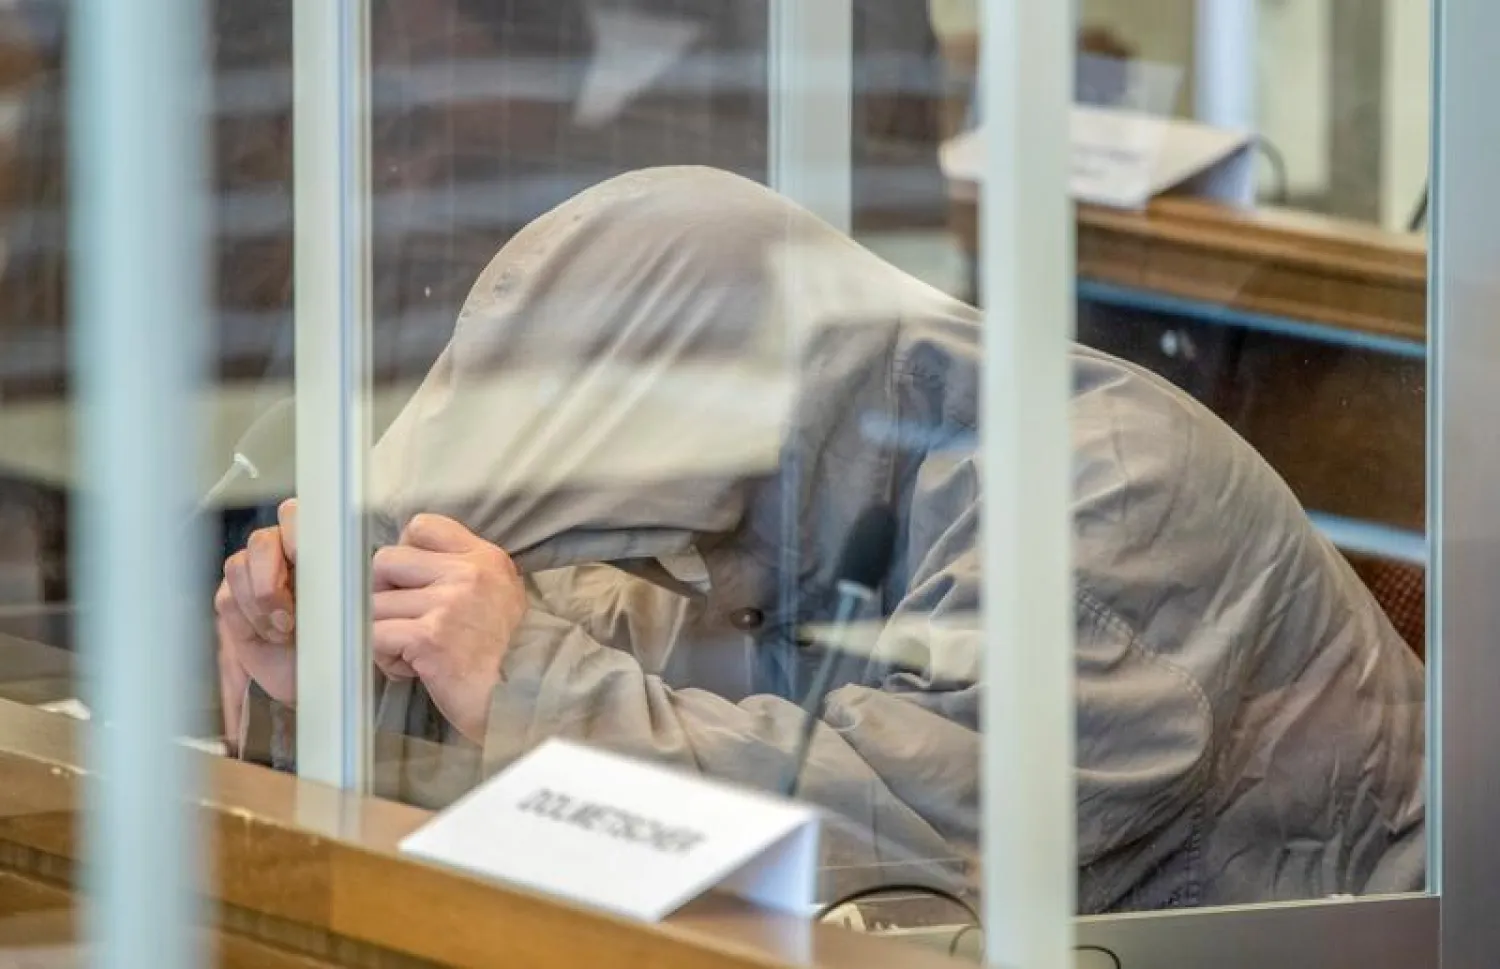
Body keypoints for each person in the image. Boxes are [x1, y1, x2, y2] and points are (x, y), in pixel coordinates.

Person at [216, 166, 1424, 913]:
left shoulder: (1107, 494)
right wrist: (347, 664)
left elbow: (902, 841)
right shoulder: (790, 494)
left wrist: (515, 669)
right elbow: (642, 673)